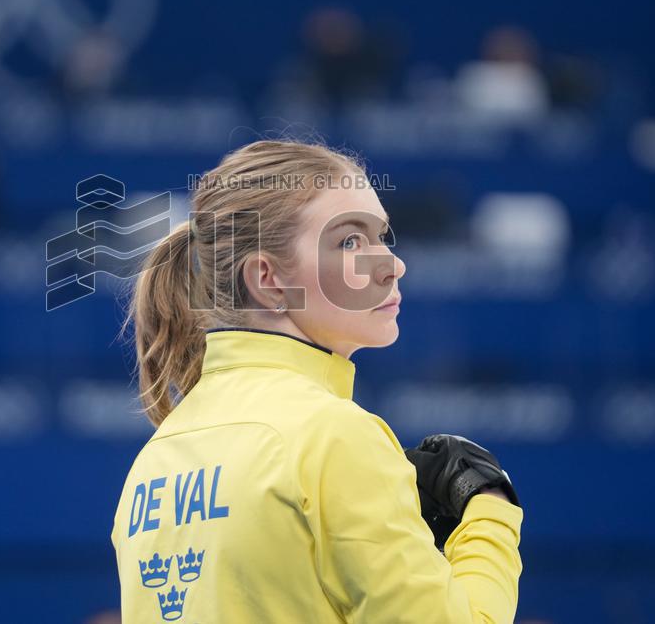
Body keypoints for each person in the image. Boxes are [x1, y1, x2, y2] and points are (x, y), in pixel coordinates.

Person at [111, 137, 523, 622]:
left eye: (381, 236)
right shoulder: (334, 437)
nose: (393, 265)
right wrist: (489, 509)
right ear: (268, 280)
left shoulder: (154, 459)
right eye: (350, 241)